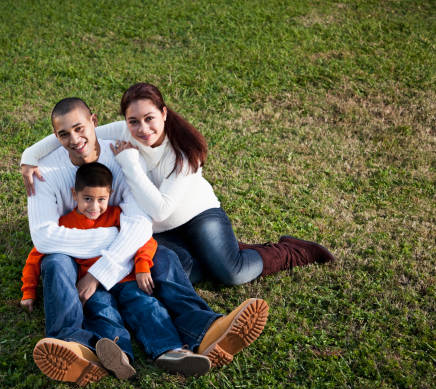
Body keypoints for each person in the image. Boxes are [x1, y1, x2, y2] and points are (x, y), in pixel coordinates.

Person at [23, 97, 269, 385]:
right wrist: (117, 239)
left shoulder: (123, 154)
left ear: (95, 121)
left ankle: (204, 329)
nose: (75, 140)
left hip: (122, 254)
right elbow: (43, 237)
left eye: (80, 129)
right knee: (55, 262)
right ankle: (74, 345)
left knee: (162, 258)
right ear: (55, 137)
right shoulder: (42, 173)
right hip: (76, 258)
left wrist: (105, 267)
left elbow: (140, 224)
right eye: (64, 134)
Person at [20, 83, 335, 286]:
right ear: (124, 122)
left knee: (231, 273)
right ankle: (217, 254)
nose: (142, 129)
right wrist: (29, 156)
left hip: (197, 216)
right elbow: (80, 129)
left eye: (149, 119)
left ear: (164, 114)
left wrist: (129, 164)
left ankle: (288, 250)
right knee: (180, 275)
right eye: (133, 121)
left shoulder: (184, 152)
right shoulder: (123, 131)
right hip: (161, 231)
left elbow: (160, 208)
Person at [23, 162, 211, 378]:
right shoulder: (66, 223)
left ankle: (170, 351)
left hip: (128, 279)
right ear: (74, 194)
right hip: (94, 287)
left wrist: (142, 266)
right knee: (105, 313)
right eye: (87, 199)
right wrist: (28, 292)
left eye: (101, 199)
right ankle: (119, 356)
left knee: (148, 307)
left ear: (110, 195)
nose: (94, 206)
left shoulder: (118, 216)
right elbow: (36, 255)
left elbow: (144, 241)